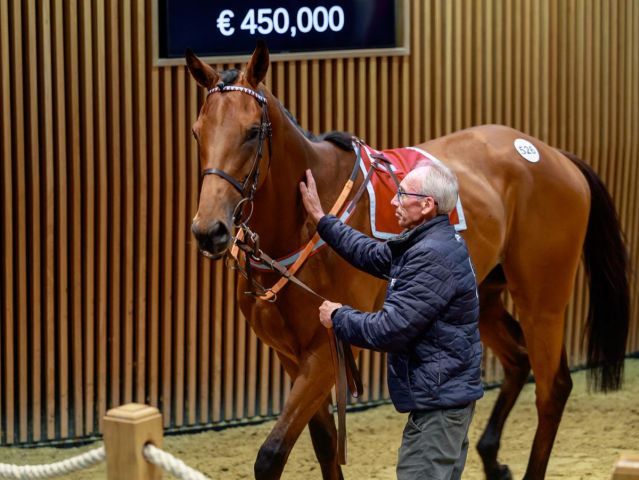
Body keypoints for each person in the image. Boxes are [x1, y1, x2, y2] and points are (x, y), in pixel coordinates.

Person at [299, 162, 483, 480]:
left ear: (426, 204)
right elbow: (371, 254)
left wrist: (339, 317)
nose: (393, 202)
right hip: (445, 399)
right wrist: (322, 221)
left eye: (401, 194)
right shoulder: (430, 243)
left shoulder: (430, 256)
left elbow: (391, 329)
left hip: (440, 407)